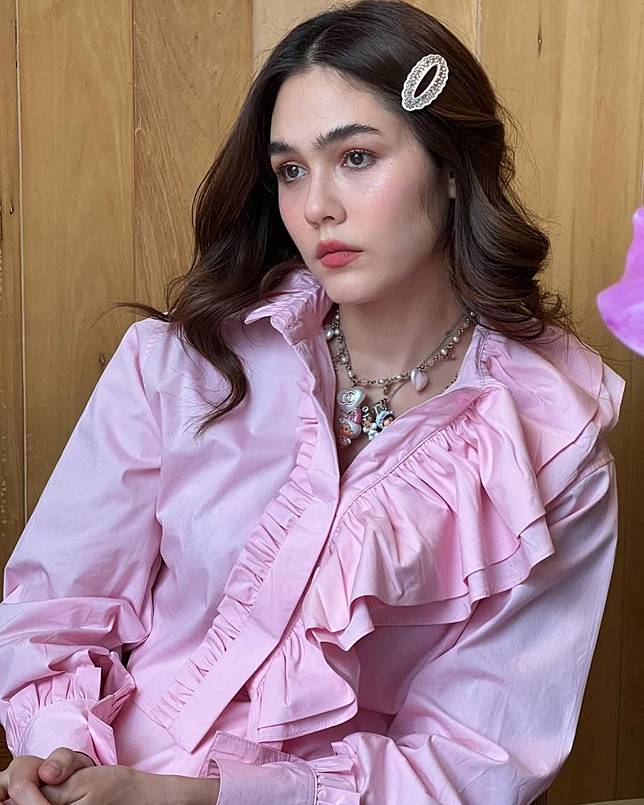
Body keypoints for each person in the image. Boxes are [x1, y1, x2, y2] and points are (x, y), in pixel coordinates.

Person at [0, 1, 625, 803]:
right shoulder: (184, 362)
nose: (316, 205)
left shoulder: (545, 444)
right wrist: (58, 753)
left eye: (356, 157)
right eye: (291, 170)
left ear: (453, 168)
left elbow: (475, 757)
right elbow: (57, 606)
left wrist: (200, 797)